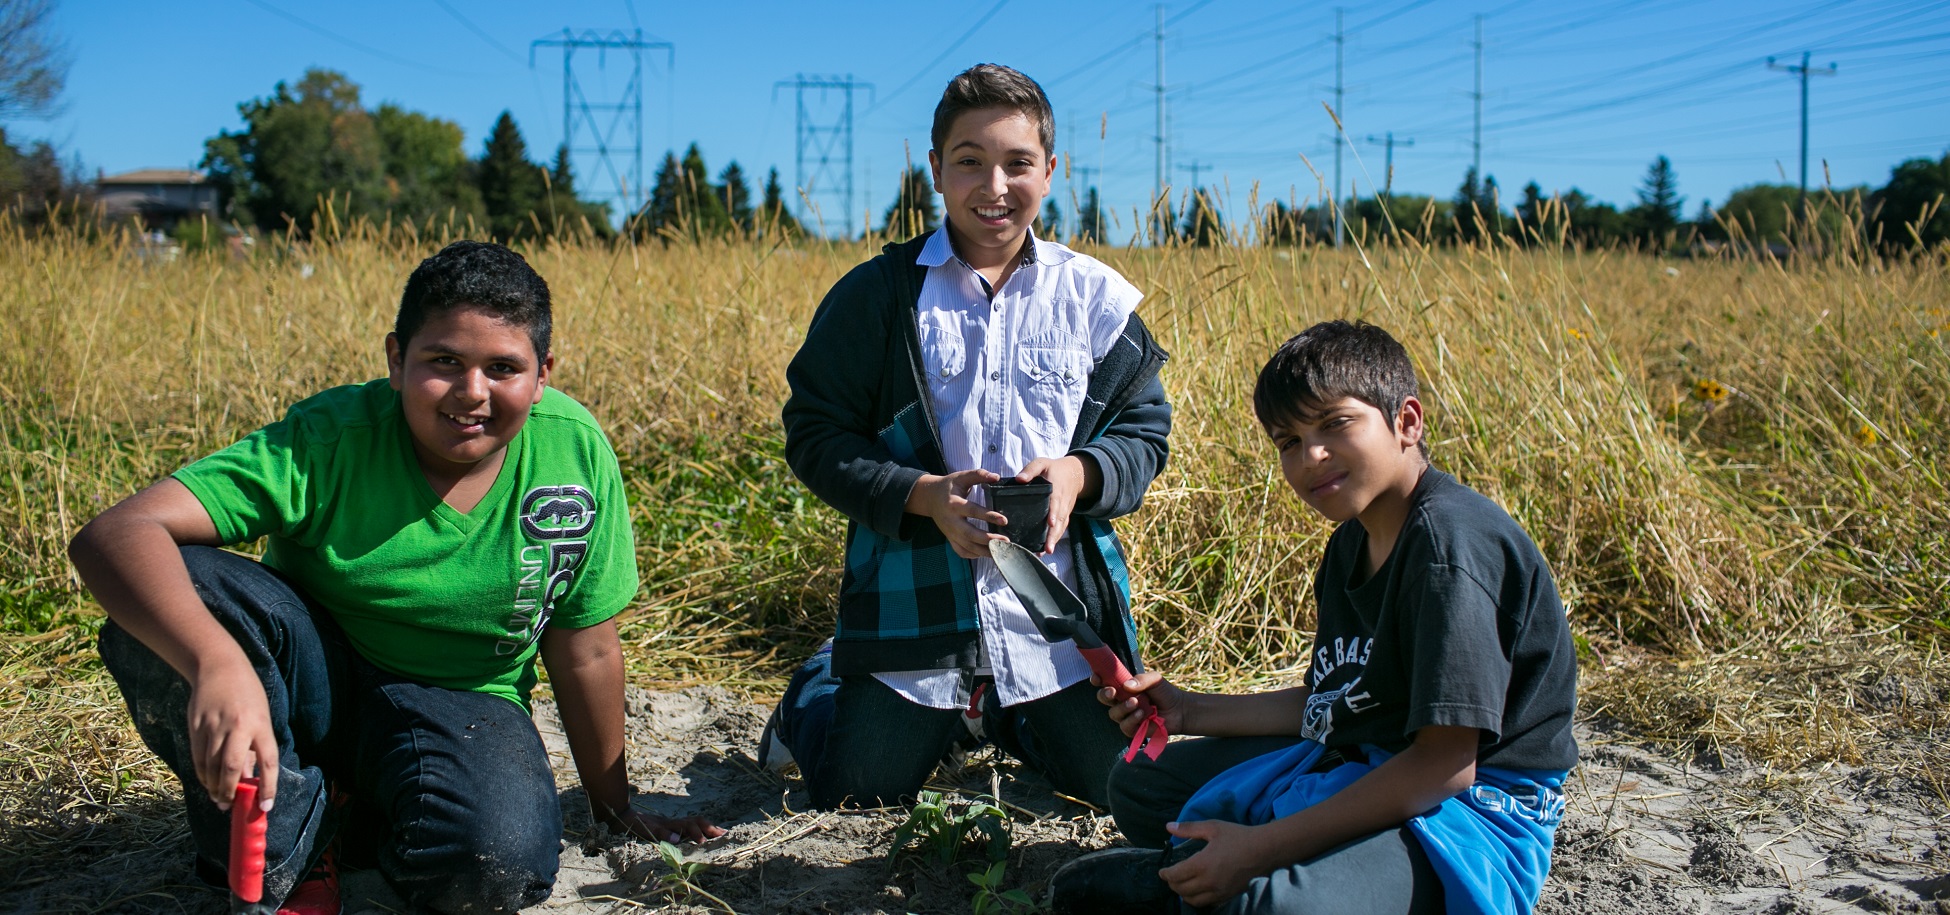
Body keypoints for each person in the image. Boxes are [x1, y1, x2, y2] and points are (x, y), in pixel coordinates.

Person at [69, 241, 723, 915]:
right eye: (443, 361)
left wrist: (616, 809)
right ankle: (283, 862)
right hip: (312, 682)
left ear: (542, 374)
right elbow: (115, 535)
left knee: (493, 864)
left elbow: (583, 646)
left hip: (463, 701)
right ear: (395, 360)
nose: (472, 392)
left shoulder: (573, 451)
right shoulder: (332, 437)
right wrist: (215, 662)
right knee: (187, 590)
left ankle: (347, 809)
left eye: (503, 367)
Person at [1050, 320, 1577, 915]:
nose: (1312, 456)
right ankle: (1215, 877)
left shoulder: (1450, 552)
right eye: (1289, 441)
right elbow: (1331, 701)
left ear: (1407, 422)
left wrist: (1258, 849)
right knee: (1142, 786)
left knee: (1274, 906)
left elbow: (1445, 766)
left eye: (1334, 424)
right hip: (1367, 755)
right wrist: (1191, 709)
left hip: (1471, 811)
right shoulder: (1353, 541)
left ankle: (1215, 885)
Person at [763, 63, 1172, 811]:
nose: (995, 185)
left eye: (1018, 163)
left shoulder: (1096, 299)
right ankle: (818, 686)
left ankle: (996, 713)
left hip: (1053, 617)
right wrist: (922, 495)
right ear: (934, 171)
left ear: (1051, 171)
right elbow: (815, 431)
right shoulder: (880, 296)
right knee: (855, 792)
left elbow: (1146, 434)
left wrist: (1079, 475)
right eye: (970, 161)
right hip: (912, 613)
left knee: (1121, 787)